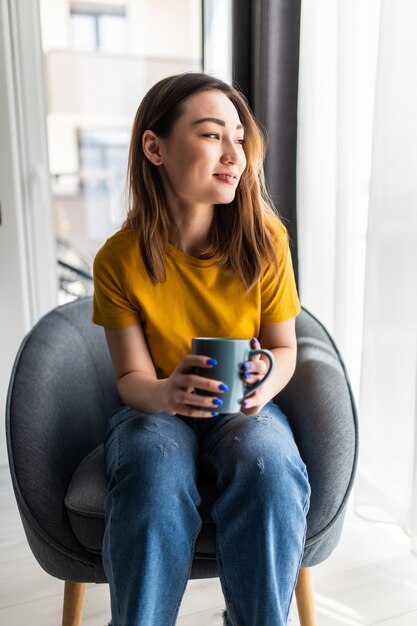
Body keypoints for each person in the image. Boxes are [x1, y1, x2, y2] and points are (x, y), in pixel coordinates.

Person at [92, 72, 310, 626]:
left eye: (239, 137)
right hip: (156, 410)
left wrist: (264, 382)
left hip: (242, 409)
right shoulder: (119, 259)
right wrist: (167, 391)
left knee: (267, 463)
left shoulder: (265, 240)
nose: (234, 153)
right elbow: (131, 379)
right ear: (154, 147)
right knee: (153, 461)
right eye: (213, 135)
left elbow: (284, 347)